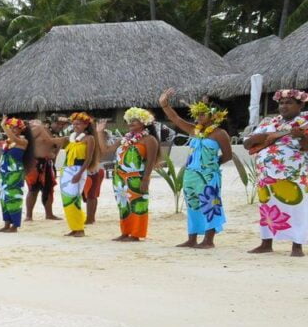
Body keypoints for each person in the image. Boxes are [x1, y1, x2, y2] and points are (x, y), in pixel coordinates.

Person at [159, 89, 232, 248]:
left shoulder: (220, 134)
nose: (198, 117)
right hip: (190, 174)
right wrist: (164, 104)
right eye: (197, 114)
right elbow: (175, 118)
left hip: (208, 175)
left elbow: (228, 155)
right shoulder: (194, 130)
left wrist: (211, 166)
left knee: (210, 204)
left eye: (202, 114)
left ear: (214, 115)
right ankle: (192, 238)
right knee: (192, 204)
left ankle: (208, 240)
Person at [244, 88, 308, 257]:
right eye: (281, 103)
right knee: (268, 208)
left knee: (297, 207)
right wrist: (266, 136)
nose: (284, 106)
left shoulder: (305, 121)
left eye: (289, 103)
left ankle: (297, 246)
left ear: (300, 105)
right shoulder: (268, 122)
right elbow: (247, 143)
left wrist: (301, 137)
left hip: (294, 175)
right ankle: (266, 243)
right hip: (266, 176)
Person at [109, 108, 159, 242]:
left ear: (143, 122)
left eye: (135, 120)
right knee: (123, 205)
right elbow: (105, 150)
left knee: (138, 204)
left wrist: (146, 178)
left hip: (137, 177)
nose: (131, 123)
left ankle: (136, 234)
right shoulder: (124, 139)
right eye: (130, 120)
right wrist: (98, 132)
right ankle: (125, 232)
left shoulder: (149, 139)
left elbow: (151, 161)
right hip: (119, 177)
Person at [44, 111, 97, 237]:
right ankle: (74, 227)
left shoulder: (89, 139)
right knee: (67, 200)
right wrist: (43, 129)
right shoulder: (69, 138)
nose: (75, 126)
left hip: (78, 170)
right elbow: (51, 141)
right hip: (66, 171)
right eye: (73, 124)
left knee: (74, 198)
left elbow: (89, 158)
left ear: (85, 125)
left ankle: (80, 229)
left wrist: (80, 173)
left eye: (78, 124)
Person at [0, 117, 29, 232]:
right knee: (4, 198)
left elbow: (13, 137)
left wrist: (3, 126)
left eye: (15, 128)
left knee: (14, 198)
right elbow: (1, 160)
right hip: (4, 174)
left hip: (15, 174)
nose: (13, 130)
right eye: (11, 128)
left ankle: (15, 225)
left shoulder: (23, 141)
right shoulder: (7, 143)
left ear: (21, 129)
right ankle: (6, 223)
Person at [24, 118, 60, 221]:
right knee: (33, 189)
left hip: (47, 162)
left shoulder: (50, 133)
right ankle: (29, 215)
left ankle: (49, 214)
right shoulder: (32, 132)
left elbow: (54, 149)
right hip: (34, 163)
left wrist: (54, 154)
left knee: (48, 188)